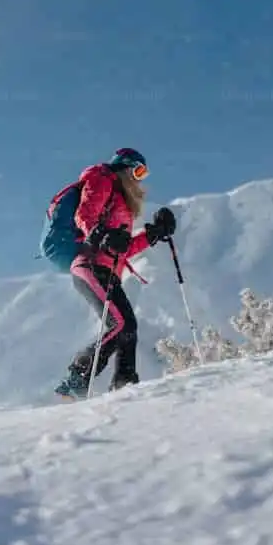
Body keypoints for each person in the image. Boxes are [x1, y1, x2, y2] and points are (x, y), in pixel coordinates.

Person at [54, 147, 176, 401]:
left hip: (109, 270)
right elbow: (84, 215)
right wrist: (101, 234)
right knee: (119, 324)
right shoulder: (102, 179)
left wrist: (153, 234)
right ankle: (77, 377)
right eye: (138, 171)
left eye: (144, 173)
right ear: (124, 168)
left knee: (128, 325)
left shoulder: (121, 201)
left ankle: (124, 382)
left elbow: (123, 248)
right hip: (89, 265)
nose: (140, 178)